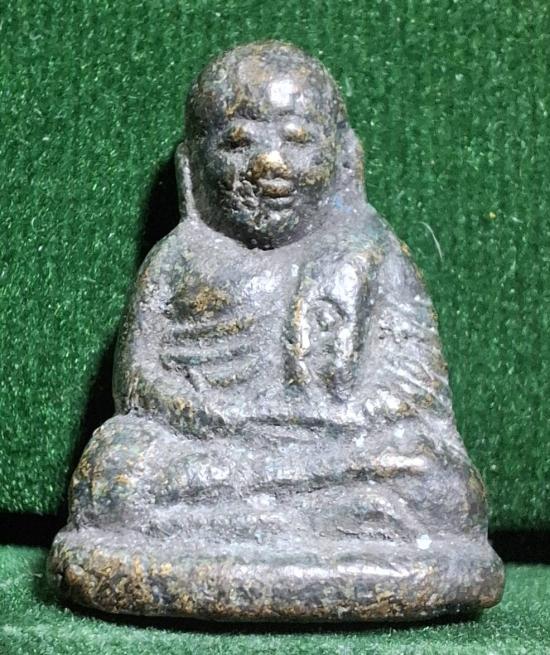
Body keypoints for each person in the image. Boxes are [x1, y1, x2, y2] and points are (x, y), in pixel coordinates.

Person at [49, 41, 504, 621]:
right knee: (114, 469)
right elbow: (138, 384)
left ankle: (252, 524)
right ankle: (308, 523)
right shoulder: (177, 259)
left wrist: (334, 421)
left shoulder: (371, 254)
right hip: (210, 444)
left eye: (298, 139)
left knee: (440, 483)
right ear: (191, 168)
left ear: (346, 161)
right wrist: (215, 417)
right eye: (238, 142)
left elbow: (416, 389)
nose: (269, 163)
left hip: (338, 448)